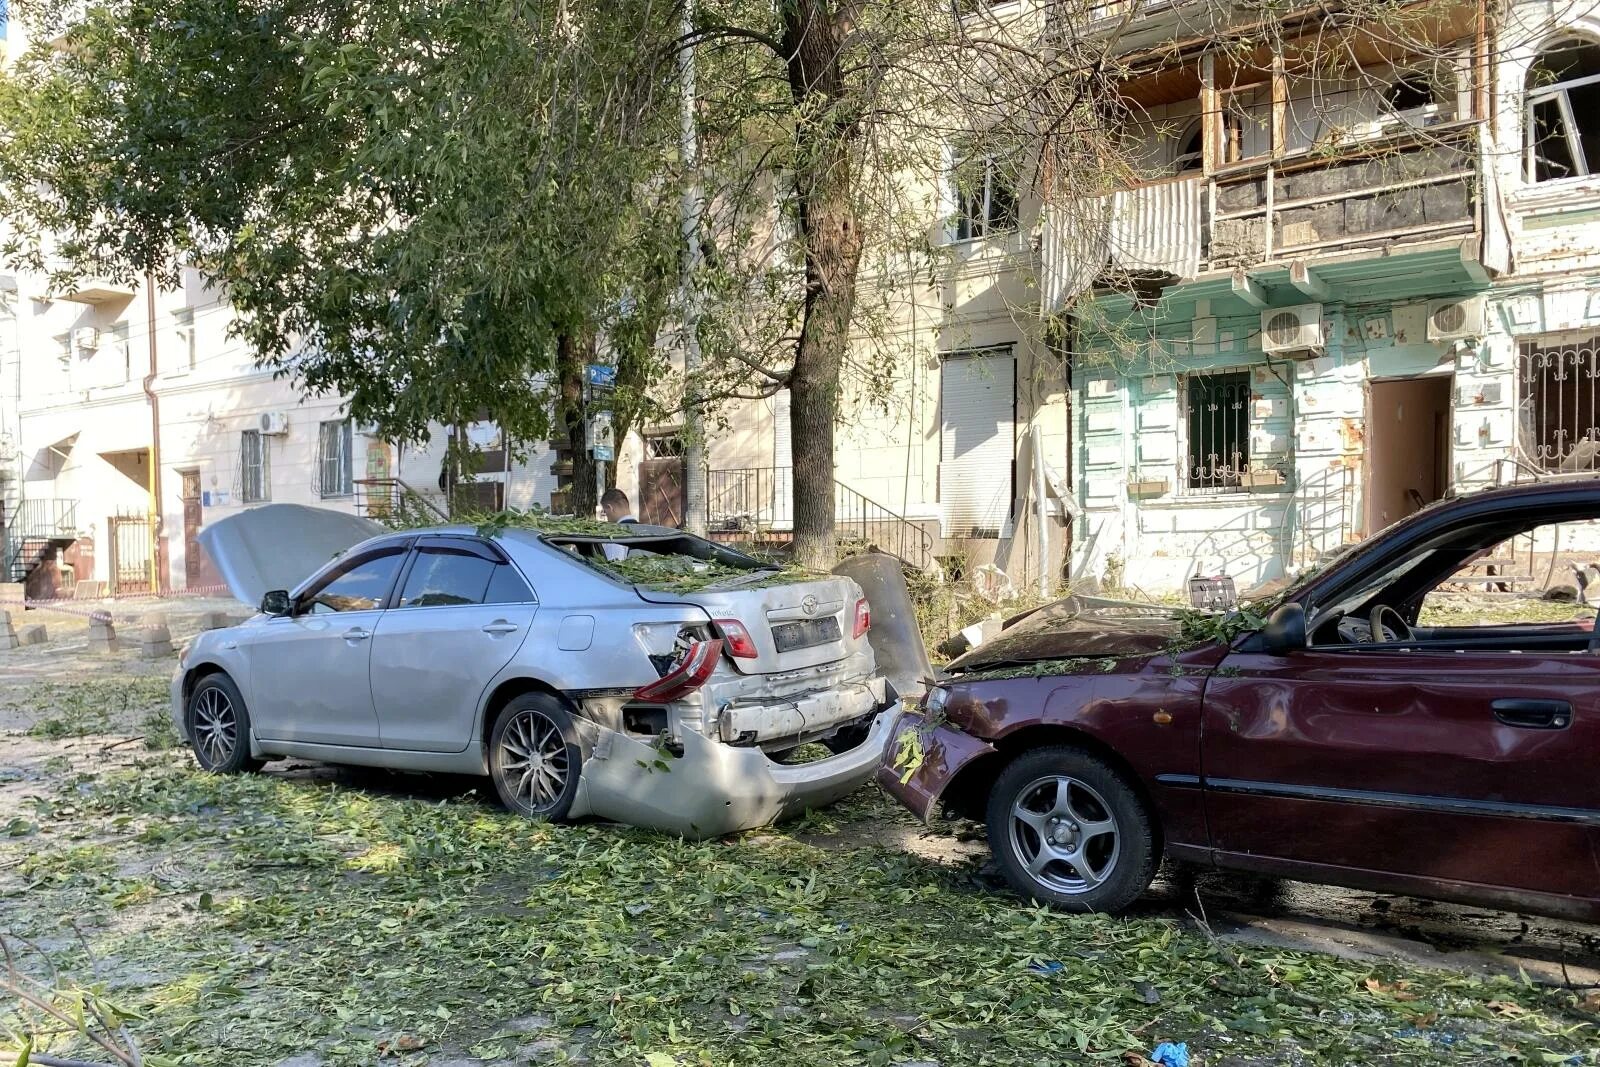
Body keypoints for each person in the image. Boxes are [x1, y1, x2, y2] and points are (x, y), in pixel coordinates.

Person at [600, 488, 638, 561]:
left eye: (605, 511)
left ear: (610, 508)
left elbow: (613, 569)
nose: (606, 516)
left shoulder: (615, 538)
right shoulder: (647, 532)